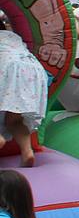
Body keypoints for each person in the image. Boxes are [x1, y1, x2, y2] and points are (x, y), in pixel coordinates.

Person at [0, 18, 50, 168]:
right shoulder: (12, 37)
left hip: (7, 66)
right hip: (32, 69)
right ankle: (27, 151)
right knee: (14, 120)